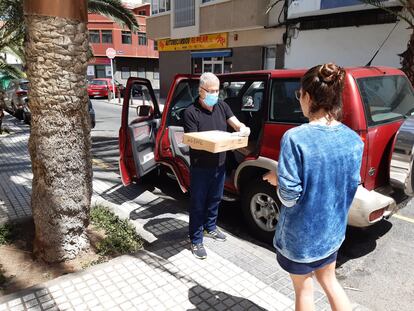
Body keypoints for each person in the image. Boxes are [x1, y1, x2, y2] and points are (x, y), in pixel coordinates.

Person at [263, 63, 363, 311]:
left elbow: (289, 196)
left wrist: (278, 179)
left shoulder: (295, 138)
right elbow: (349, 185)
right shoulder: (353, 139)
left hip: (302, 238)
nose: (300, 101)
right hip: (332, 232)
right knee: (330, 281)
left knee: (304, 290)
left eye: (299, 95)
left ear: (307, 96)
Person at [183, 72, 250, 259]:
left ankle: (210, 228)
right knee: (198, 203)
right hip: (200, 167)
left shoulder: (222, 106)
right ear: (200, 90)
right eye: (210, 91)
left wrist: (243, 129)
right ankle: (196, 239)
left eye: (217, 90)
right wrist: (215, 141)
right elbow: (193, 141)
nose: (214, 94)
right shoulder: (190, 112)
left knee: (215, 199)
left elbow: (236, 124)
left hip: (220, 164)